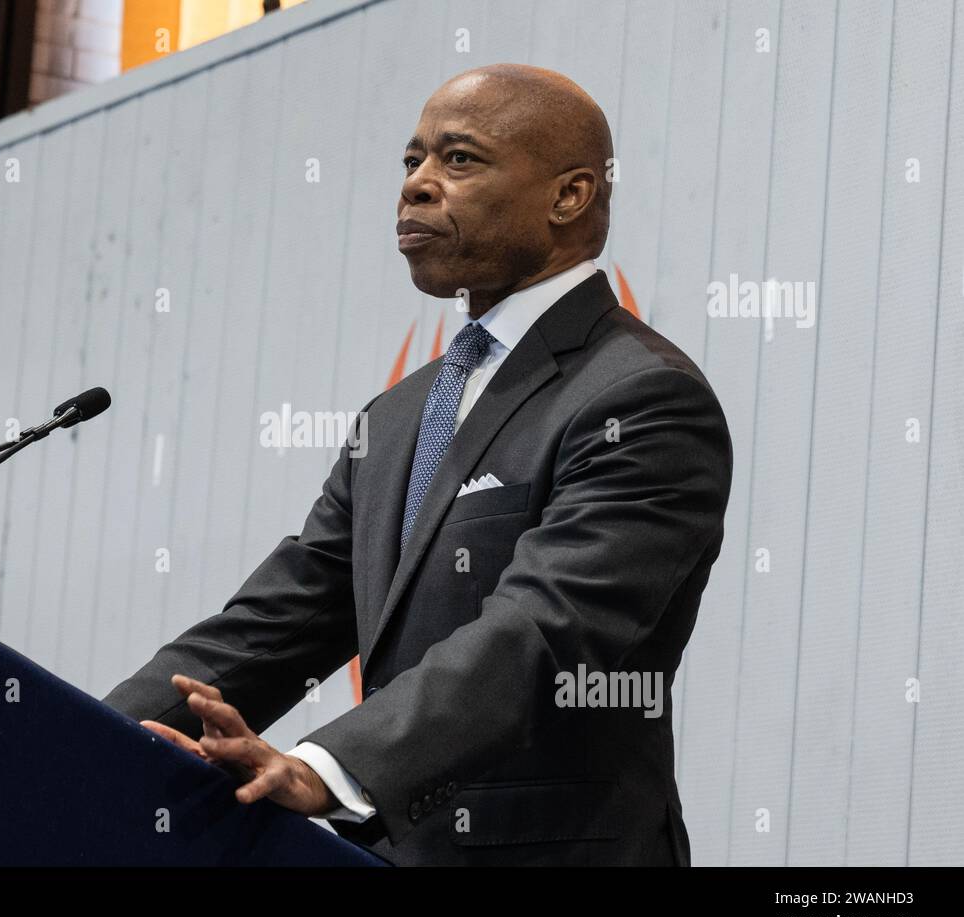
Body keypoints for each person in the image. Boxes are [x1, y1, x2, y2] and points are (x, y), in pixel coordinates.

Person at [102, 64, 733, 866]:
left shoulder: (642, 398)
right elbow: (279, 620)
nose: (417, 187)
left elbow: (543, 633)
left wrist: (325, 768)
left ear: (569, 196)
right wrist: (83, 739)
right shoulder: (399, 414)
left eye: (459, 160)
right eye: (411, 162)